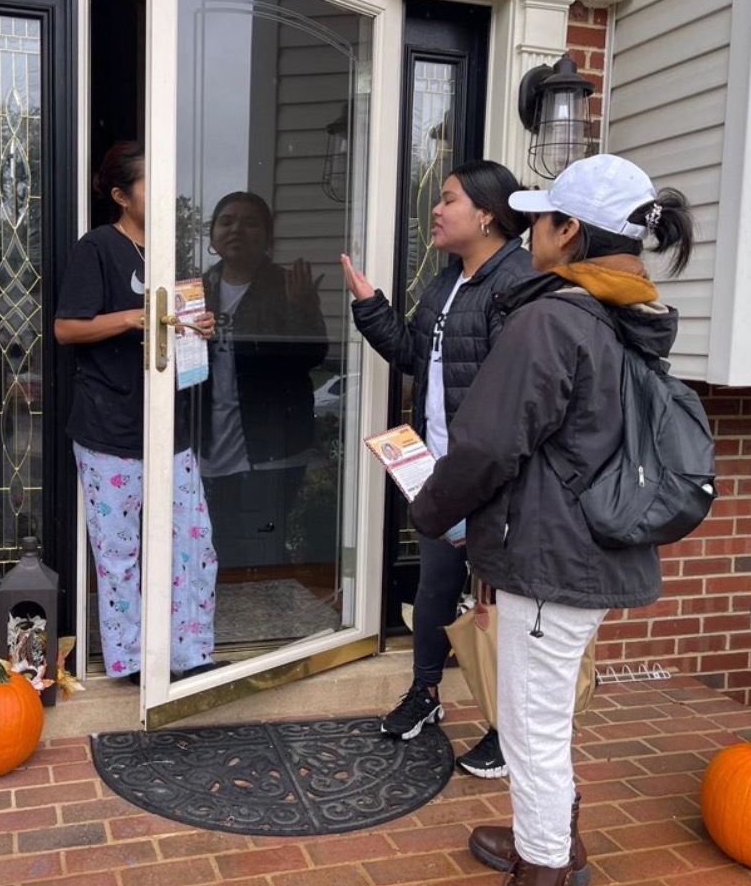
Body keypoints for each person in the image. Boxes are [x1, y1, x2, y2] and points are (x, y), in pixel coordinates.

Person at [408, 153, 695, 886]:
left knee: (532, 726)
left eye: (541, 218)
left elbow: (484, 443)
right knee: (543, 713)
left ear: (569, 231)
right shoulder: (626, 314)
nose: (530, 230)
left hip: (552, 559)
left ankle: (545, 866)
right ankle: (554, 837)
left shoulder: (552, 319)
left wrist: (430, 507)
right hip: (587, 553)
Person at [340, 159, 534, 776]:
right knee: (434, 591)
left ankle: (510, 728)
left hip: (494, 480)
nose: (436, 210)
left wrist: (491, 474)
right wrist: (371, 307)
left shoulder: (518, 283)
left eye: (447, 200)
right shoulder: (447, 282)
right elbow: (412, 355)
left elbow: (520, 394)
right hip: (439, 472)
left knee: (499, 610)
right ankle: (426, 694)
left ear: (486, 212)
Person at [54, 140, 221, 683]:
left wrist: (199, 329)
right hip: (108, 428)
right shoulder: (97, 247)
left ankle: (189, 655)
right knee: (120, 555)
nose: (166, 193)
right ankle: (131, 663)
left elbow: (178, 326)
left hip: (169, 425)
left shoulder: (173, 250)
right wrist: (133, 318)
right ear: (123, 195)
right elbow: (66, 329)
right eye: (152, 183)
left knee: (193, 546)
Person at [199, 191, 328, 572]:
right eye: (226, 221)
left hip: (272, 443)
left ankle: (267, 624)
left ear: (269, 238)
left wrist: (304, 309)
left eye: (249, 222)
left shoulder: (286, 286)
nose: (236, 228)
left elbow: (311, 358)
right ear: (212, 236)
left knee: (262, 547)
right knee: (212, 542)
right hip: (207, 442)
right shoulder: (195, 289)